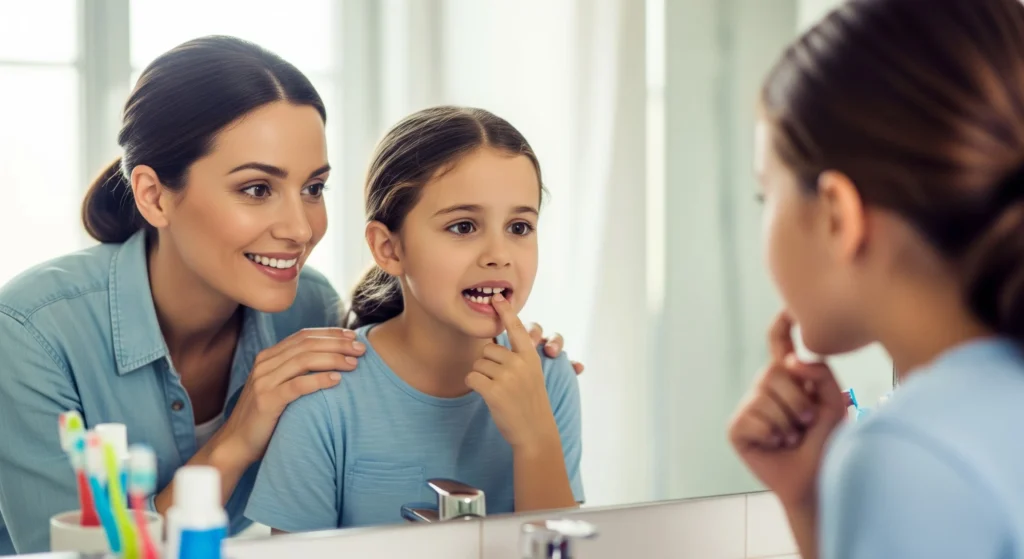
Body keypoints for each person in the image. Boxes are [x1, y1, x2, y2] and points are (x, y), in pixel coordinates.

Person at [0, 37, 577, 554]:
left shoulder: (309, 309)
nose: (301, 228)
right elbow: (69, 557)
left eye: (313, 188)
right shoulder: (30, 334)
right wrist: (239, 434)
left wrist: (521, 359)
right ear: (153, 196)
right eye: (256, 188)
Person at [728, 0, 1024, 557]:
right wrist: (811, 504)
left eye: (766, 194)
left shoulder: (912, 452)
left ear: (838, 215)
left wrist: (873, 471)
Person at [244, 106, 584, 533]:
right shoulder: (324, 395)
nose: (499, 254)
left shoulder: (549, 380)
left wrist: (536, 440)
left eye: (519, 227)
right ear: (389, 249)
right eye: (463, 227)